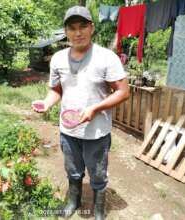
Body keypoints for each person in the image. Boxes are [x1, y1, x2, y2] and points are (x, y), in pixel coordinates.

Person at [32, 6, 129, 220]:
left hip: (96, 132)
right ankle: (74, 201)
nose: (78, 33)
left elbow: (123, 92)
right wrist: (47, 103)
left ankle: (98, 210)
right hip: (68, 130)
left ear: (92, 28)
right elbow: (57, 90)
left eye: (83, 26)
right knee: (73, 170)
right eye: (72, 28)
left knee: (97, 173)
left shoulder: (107, 57)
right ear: (65, 31)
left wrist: (95, 108)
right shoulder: (57, 59)